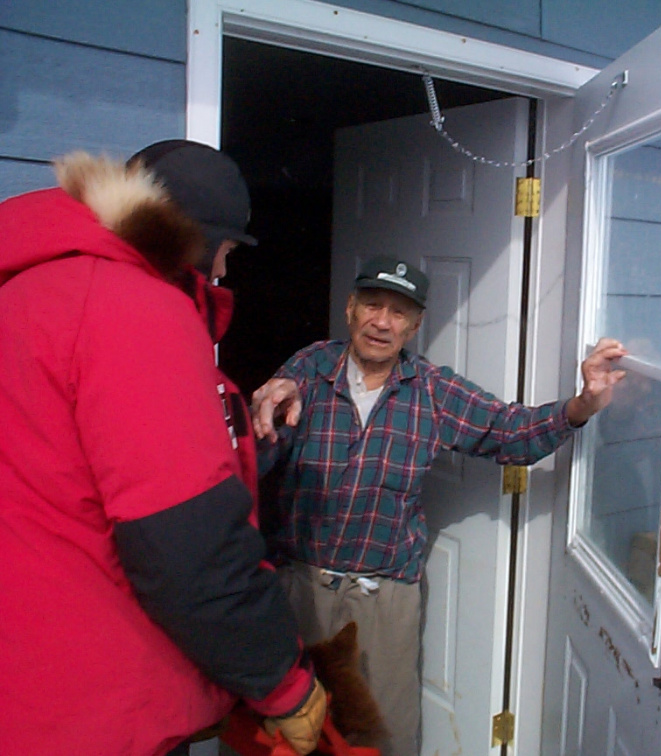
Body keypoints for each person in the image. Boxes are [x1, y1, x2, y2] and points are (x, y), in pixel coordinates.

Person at [0, 143, 325, 756]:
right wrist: (284, 682)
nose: (224, 274)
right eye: (226, 253)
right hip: (90, 706)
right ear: (198, 240)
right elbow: (184, 542)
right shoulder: (133, 309)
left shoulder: (27, 292)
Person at [252, 256, 627, 756]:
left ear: (415, 325)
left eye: (399, 312)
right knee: (281, 731)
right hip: (298, 585)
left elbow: (509, 431)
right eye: (372, 304)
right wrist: (250, 414)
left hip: (383, 599)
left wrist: (581, 404)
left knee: (379, 735)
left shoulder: (431, 389)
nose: (382, 321)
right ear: (350, 309)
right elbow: (254, 453)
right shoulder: (309, 369)